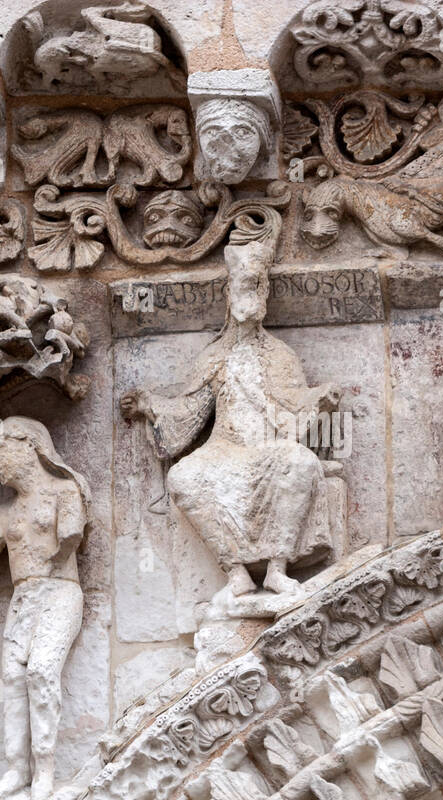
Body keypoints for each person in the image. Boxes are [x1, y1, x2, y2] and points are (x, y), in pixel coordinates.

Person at [121, 228, 340, 599]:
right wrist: (149, 404)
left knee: (299, 462)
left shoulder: (280, 354)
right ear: (229, 295)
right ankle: (236, 570)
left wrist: (319, 399)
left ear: (265, 296)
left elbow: (293, 402)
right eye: (243, 288)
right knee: (184, 476)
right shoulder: (213, 355)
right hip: (223, 449)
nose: (249, 297)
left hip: (267, 448)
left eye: (256, 288)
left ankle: (276, 568)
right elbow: (189, 409)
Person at [0, 416, 90, 800]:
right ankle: (16, 770)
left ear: (31, 447)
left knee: (40, 671)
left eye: (3, 450)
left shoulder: (64, 490)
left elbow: (71, 534)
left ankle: (45, 768)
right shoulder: (6, 512)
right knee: (11, 679)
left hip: (59, 592)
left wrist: (62, 546)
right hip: (24, 598)